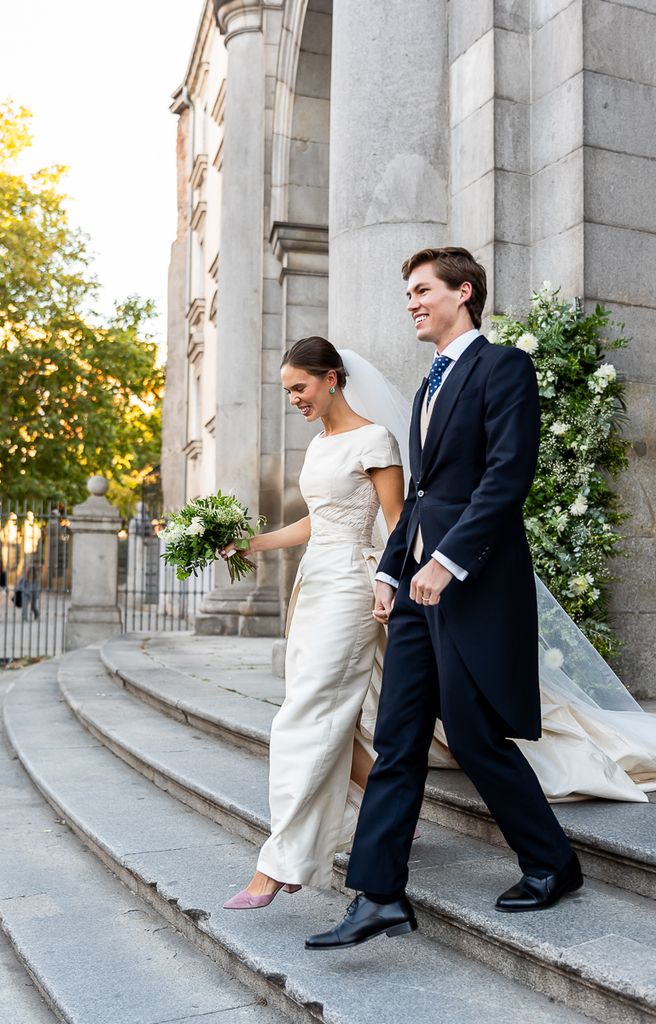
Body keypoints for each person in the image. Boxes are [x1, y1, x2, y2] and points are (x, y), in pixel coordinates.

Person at [305, 246, 585, 950]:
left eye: (422, 290)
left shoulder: (503, 367)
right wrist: (393, 571)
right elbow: (422, 498)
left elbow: (506, 476)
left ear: (464, 293)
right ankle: (377, 896)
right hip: (416, 595)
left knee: (472, 734)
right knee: (398, 740)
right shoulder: (428, 386)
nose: (411, 302)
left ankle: (553, 864)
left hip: (474, 586)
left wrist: (450, 562)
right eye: (407, 293)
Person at [220, 336, 404, 908]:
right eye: (288, 391)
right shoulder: (319, 445)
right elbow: (314, 522)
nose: (294, 398)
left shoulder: (375, 439)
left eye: (300, 387)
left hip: (352, 588)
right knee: (327, 713)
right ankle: (389, 809)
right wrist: (253, 543)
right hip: (314, 585)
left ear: (331, 378)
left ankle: (279, 864)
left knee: (302, 717)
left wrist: (387, 584)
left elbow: (397, 525)